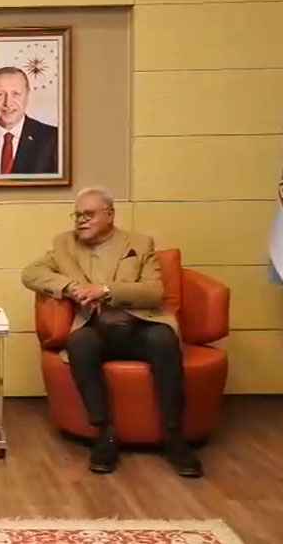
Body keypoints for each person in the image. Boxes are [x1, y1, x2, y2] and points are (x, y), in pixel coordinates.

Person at [21, 186, 203, 478]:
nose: (81, 221)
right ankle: (104, 435)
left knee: (164, 340)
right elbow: (30, 274)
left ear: (109, 215)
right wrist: (70, 287)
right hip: (98, 327)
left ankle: (174, 437)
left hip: (141, 325)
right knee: (80, 343)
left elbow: (153, 292)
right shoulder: (64, 245)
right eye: (77, 215)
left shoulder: (139, 244)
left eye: (89, 214)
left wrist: (105, 291)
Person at [0, 66, 58, 175]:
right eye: (0, 94)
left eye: (16, 94)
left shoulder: (53, 139)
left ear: (27, 95)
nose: (8, 103)